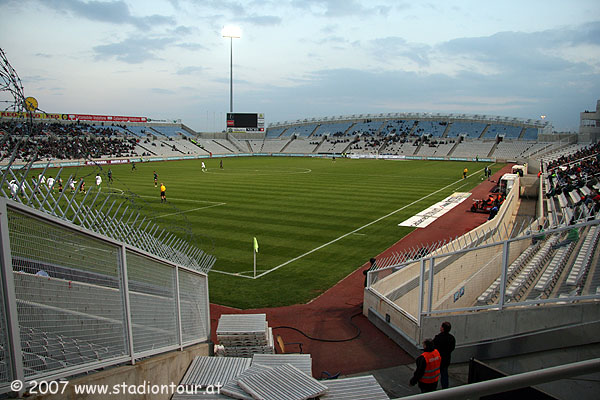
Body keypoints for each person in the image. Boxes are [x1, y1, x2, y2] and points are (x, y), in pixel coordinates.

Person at [434, 321, 456, 389]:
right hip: (446, 359)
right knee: (444, 374)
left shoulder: (438, 338)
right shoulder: (451, 338)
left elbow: (434, 347)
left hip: (438, 359)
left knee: (435, 375)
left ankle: (433, 387)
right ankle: (445, 388)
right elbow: (452, 348)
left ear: (443, 328)